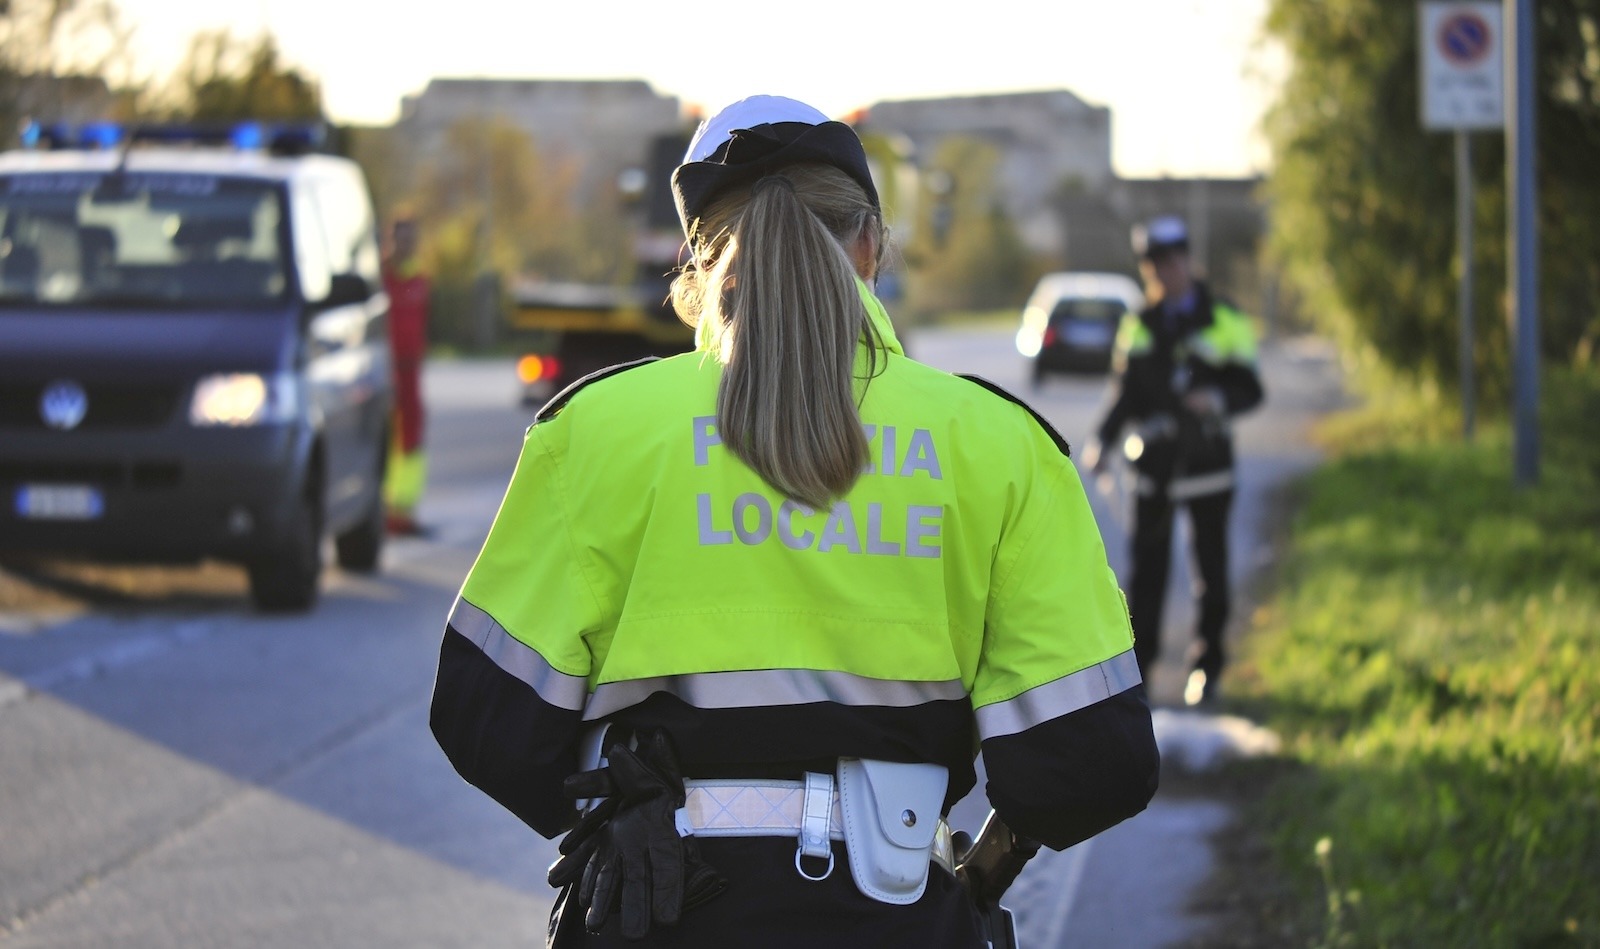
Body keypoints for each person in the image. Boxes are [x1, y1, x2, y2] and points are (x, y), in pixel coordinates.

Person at [429, 95, 1159, 947]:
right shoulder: (999, 445)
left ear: (695, 268)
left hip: (657, 913)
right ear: (871, 246)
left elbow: (485, 722)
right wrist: (975, 873)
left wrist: (609, 799)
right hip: (897, 916)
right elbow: (1092, 763)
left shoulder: (592, 432)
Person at [1083, 215, 1264, 707]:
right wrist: (1102, 440)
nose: (1165, 271)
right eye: (1154, 265)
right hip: (1154, 471)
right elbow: (1124, 393)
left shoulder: (1224, 317)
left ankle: (1207, 671)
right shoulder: (1139, 323)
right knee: (1146, 579)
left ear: (1188, 260)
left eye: (1172, 261)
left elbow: (1251, 388)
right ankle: (1140, 678)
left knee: (1211, 573)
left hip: (1208, 467)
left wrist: (1217, 398)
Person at [381, 214, 430, 535]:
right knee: (384, 437)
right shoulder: (380, 279)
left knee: (411, 438)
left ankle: (405, 510)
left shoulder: (421, 281)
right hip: (384, 371)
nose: (406, 245)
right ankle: (383, 510)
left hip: (411, 371)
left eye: (411, 238)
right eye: (401, 238)